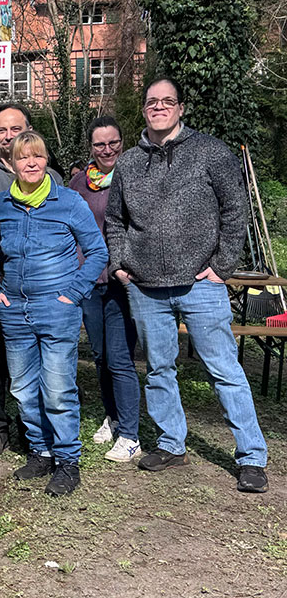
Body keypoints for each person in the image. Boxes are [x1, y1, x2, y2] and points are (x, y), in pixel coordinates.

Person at [105, 78, 269, 493]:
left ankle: (251, 456)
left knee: (225, 370)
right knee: (159, 369)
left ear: (180, 108)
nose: (159, 107)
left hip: (202, 285)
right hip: (145, 287)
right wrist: (121, 264)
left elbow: (236, 209)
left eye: (167, 101)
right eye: (151, 102)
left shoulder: (211, 152)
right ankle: (171, 444)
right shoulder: (127, 164)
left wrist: (223, 265)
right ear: (144, 110)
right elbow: (115, 221)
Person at [0, 130, 108, 496]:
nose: (31, 163)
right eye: (23, 158)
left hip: (56, 310)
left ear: (46, 161)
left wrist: (72, 295)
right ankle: (40, 451)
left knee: (57, 389)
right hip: (15, 311)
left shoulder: (69, 202)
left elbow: (98, 253)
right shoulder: (0, 205)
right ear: (11, 163)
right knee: (24, 389)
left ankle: (67, 460)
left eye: (38, 157)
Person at [0, 103, 62, 456]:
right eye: (0, 131)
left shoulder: (50, 175)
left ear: (29, 130)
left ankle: (33, 427)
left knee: (35, 361)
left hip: (41, 288)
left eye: (14, 129)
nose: (7, 137)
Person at [69, 116, 142, 462]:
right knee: (100, 357)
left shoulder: (135, 177)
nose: (107, 149)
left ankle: (130, 434)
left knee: (120, 358)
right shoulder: (78, 183)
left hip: (121, 282)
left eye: (113, 142)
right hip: (88, 282)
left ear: (122, 142)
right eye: (100, 144)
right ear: (91, 148)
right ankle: (113, 417)